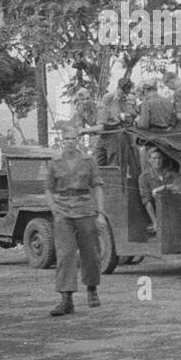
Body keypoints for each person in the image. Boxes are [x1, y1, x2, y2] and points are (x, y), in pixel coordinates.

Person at [42, 122, 105, 316]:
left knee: (91, 253)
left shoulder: (89, 160)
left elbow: (97, 186)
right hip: (63, 212)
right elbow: (48, 188)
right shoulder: (54, 162)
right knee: (65, 254)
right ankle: (66, 299)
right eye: (66, 138)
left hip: (85, 209)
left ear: (78, 140)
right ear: (62, 140)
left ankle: (92, 289)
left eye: (73, 138)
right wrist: (53, 207)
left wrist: (100, 214)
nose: (70, 142)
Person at [138, 146, 181, 234]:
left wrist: (163, 187)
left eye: (159, 158)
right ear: (149, 160)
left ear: (163, 159)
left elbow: (178, 187)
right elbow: (147, 201)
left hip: (173, 211)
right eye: (154, 158)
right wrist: (155, 222)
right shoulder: (144, 177)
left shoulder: (169, 173)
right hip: (158, 213)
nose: (157, 161)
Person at [95, 77, 138, 165]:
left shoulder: (127, 101)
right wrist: (119, 116)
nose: (125, 95)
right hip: (104, 134)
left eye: (127, 93)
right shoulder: (109, 98)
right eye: (123, 92)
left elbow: (132, 115)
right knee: (98, 163)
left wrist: (128, 115)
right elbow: (103, 118)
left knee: (114, 164)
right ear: (118, 88)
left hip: (117, 136)